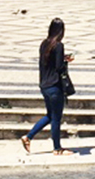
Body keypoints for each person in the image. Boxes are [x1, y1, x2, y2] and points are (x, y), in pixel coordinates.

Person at [21, 18, 74, 156]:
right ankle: (57, 148)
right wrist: (66, 61)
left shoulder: (44, 44)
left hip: (44, 85)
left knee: (50, 115)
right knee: (56, 118)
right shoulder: (58, 45)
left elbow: (49, 61)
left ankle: (28, 137)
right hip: (54, 86)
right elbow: (58, 67)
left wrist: (62, 57)